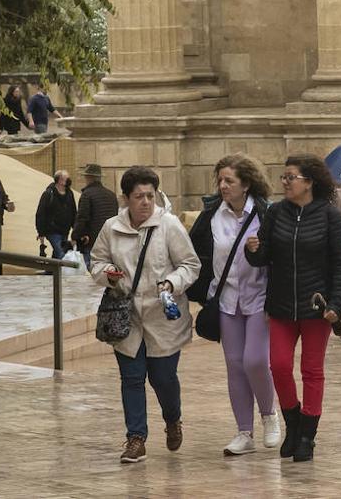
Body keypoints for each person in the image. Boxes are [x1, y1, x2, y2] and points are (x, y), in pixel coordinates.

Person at [245, 154, 341, 463]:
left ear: (308, 182)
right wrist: (252, 249)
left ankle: (308, 434)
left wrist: (337, 303)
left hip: (316, 308)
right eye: (283, 177)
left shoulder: (330, 216)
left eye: (290, 177)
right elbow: (262, 257)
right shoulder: (276, 212)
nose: (284, 182)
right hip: (280, 306)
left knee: (311, 371)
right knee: (278, 366)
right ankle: (293, 424)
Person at [89, 166, 201, 464]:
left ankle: (173, 419)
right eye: (139, 196)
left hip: (162, 317)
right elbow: (97, 262)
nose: (145, 202)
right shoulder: (111, 228)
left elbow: (190, 265)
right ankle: (135, 438)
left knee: (163, 379)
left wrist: (171, 283)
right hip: (125, 318)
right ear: (126, 198)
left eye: (150, 195)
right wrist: (109, 274)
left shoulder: (169, 225)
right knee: (132, 378)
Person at [188, 154, 280, 456]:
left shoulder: (265, 213)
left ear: (246, 183)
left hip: (260, 298)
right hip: (225, 299)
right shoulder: (212, 215)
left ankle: (269, 415)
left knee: (255, 360)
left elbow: (277, 255)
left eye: (229, 180)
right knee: (235, 365)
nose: (223, 185)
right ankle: (244, 432)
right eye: (220, 180)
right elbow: (196, 252)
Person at [75, 163, 120, 268]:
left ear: (89, 177)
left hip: (91, 239)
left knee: (91, 268)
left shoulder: (87, 194)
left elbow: (82, 217)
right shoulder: (111, 195)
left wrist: (76, 235)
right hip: (110, 239)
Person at [34, 170, 77, 260]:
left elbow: (73, 212)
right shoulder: (48, 194)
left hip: (65, 230)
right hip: (52, 231)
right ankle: (67, 272)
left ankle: (50, 272)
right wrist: (41, 232)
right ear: (60, 180)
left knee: (57, 256)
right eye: (67, 178)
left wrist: (76, 229)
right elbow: (41, 214)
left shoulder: (69, 193)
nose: (69, 180)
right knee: (61, 254)